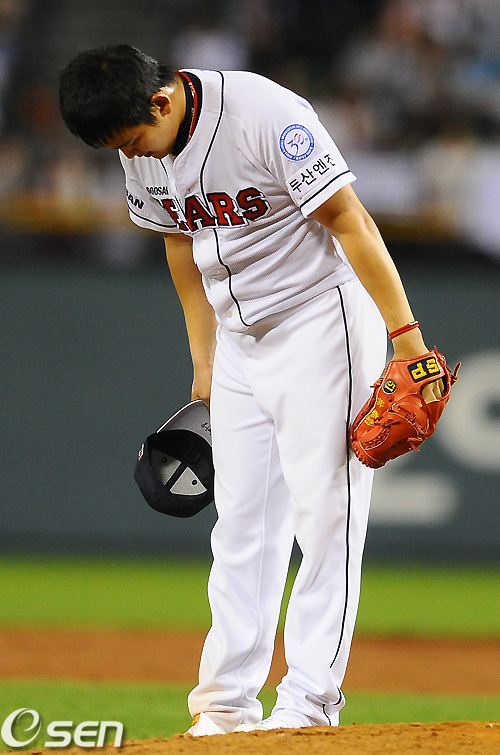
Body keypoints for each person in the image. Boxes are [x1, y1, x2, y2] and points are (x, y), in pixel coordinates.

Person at [59, 45, 440, 736]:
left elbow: (349, 219)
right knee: (240, 525)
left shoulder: (265, 114)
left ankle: (309, 702)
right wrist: (204, 359)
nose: (131, 155)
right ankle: (226, 705)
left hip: (319, 317)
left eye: (133, 139)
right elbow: (179, 244)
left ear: (161, 101)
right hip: (237, 335)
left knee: (327, 517)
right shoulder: (141, 140)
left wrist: (406, 339)